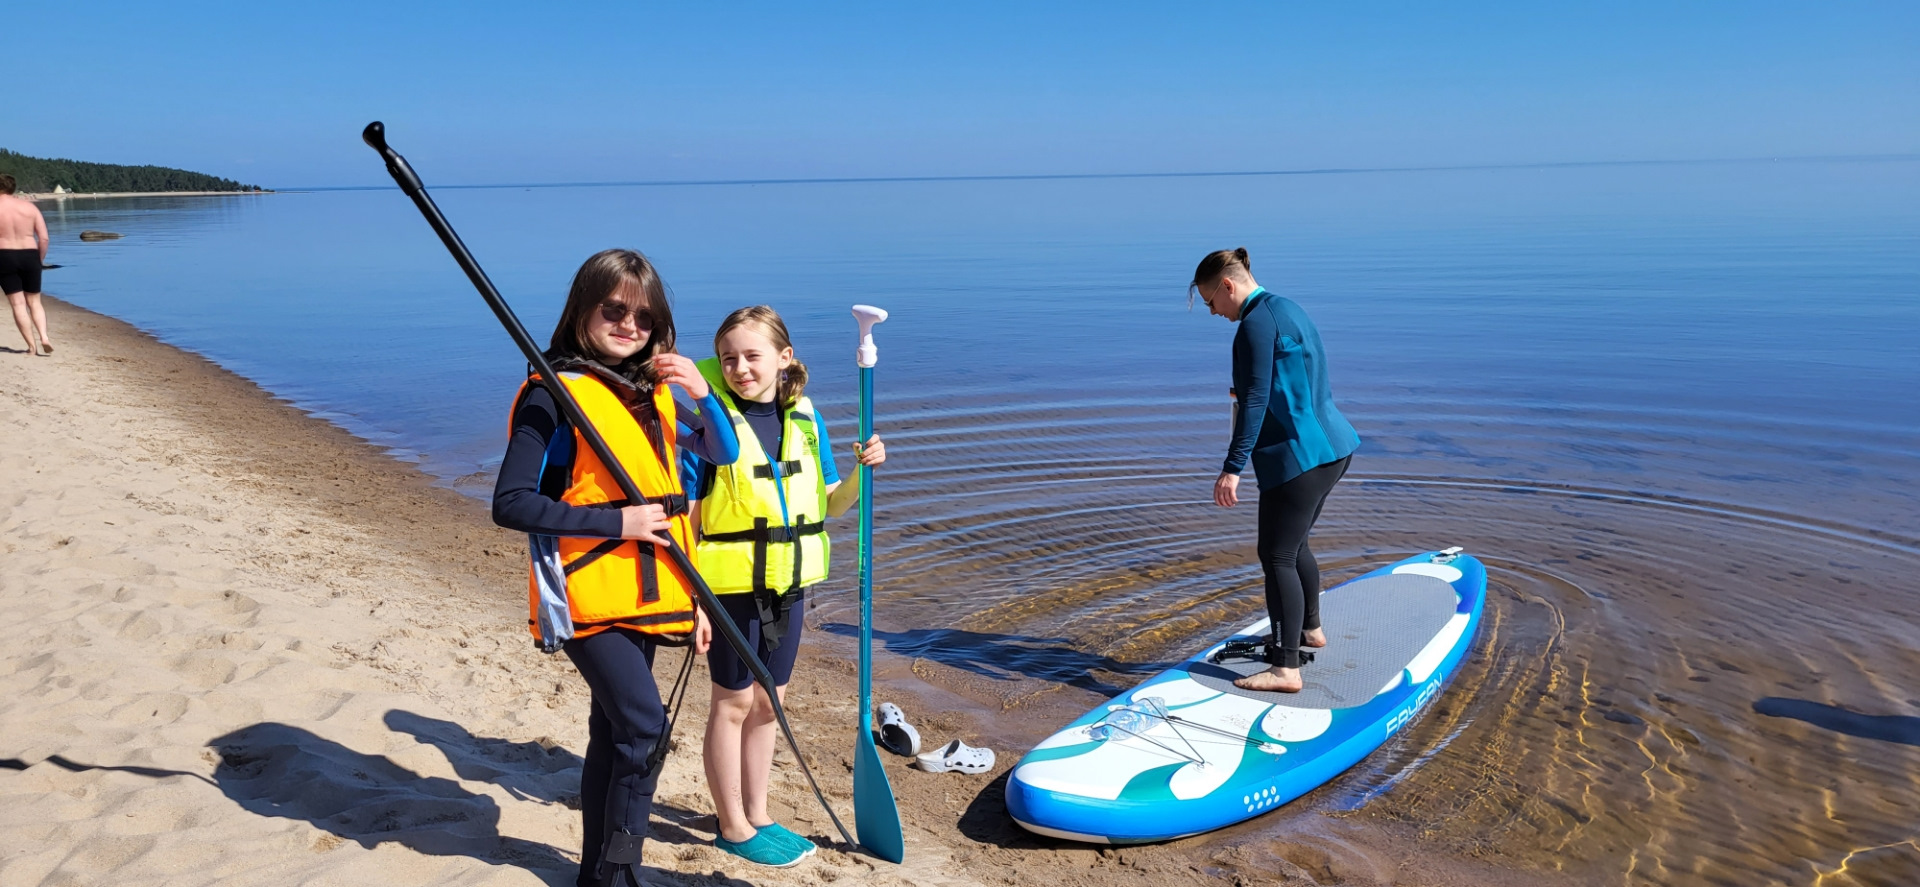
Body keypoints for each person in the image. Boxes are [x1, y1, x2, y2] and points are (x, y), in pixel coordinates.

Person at [491, 249, 739, 887]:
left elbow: (722, 452)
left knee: (612, 734)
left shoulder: (648, 394)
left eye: (645, 318)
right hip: (583, 596)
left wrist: (704, 396)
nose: (631, 326)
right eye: (615, 310)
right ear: (583, 311)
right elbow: (511, 503)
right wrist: (617, 523)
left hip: (650, 592)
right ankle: (620, 874)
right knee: (645, 730)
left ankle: (596, 873)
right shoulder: (554, 397)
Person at [689, 306, 885, 867]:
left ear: (784, 357)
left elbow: (827, 506)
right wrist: (695, 599)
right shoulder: (711, 421)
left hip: (790, 582)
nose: (740, 369)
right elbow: (694, 517)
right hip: (728, 583)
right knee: (732, 704)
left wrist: (862, 473)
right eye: (729, 359)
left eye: (752, 356)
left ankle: (759, 811)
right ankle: (731, 825)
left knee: (772, 704)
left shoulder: (804, 418)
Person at [1191, 247, 1359, 693]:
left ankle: (1286, 669)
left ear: (1228, 285)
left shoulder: (1253, 326)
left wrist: (1232, 468)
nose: (1213, 312)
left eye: (1211, 302)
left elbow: (1255, 402)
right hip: (1334, 448)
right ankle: (1310, 631)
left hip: (1298, 458)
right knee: (1295, 544)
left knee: (1277, 555)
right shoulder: (1287, 308)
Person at [0, 174, 54, 356]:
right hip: (29, 255)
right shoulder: (29, 208)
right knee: (35, 301)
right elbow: (44, 238)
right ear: (13, 188)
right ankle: (44, 337)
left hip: (4, 255)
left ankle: (32, 347)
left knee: (18, 304)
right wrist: (39, 260)